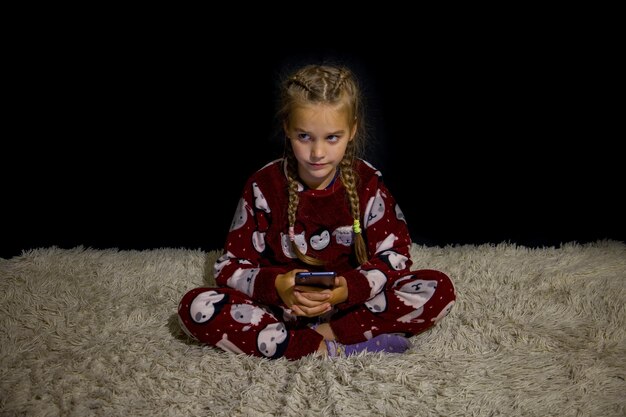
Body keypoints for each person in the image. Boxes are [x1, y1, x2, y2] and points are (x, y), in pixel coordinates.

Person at [178, 63, 456, 360]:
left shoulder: (367, 183)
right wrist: (277, 287)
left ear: (352, 130)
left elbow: (396, 255)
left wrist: (348, 289)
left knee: (438, 289)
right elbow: (228, 268)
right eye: (305, 137)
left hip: (347, 306)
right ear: (287, 127)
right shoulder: (263, 186)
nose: (317, 153)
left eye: (332, 137)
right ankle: (323, 349)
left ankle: (325, 338)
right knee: (195, 308)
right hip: (281, 311)